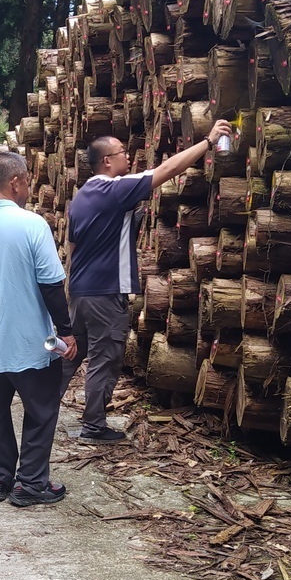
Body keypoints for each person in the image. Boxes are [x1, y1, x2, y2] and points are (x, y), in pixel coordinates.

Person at [60, 118, 234, 443]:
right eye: (122, 152)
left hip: (82, 290)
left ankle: (39, 403)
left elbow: (71, 247)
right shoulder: (112, 189)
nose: (129, 156)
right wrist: (208, 143)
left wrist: (70, 289)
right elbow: (166, 170)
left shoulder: (82, 196)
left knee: (74, 353)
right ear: (107, 161)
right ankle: (94, 425)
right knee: (105, 358)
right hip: (105, 291)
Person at [0, 152, 79, 507]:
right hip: (32, 343)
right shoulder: (32, 225)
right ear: (16, 182)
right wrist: (66, 332)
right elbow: (52, 285)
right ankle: (31, 483)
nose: (28, 188)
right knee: (42, 409)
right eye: (26, 181)